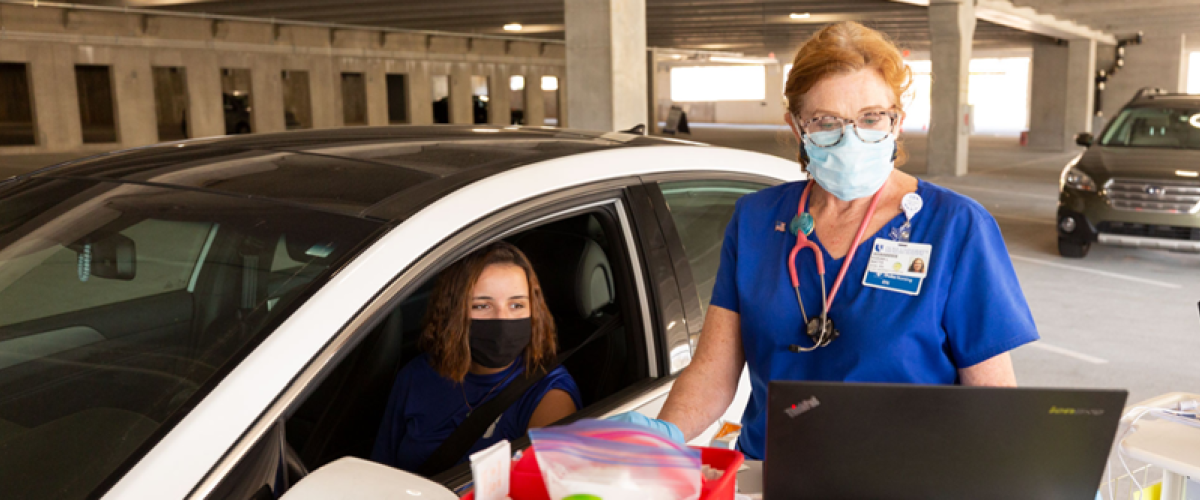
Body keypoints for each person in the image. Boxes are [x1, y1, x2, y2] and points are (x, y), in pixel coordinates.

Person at [615, 22, 1039, 459]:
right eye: (826, 121)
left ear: (897, 123)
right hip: (773, 474)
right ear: (798, 129)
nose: (851, 135)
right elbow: (714, 374)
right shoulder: (756, 220)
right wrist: (659, 435)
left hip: (904, 480)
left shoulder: (956, 227)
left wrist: (1023, 472)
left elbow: (992, 397)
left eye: (871, 117)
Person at [372, 242, 581, 472]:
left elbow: (543, 485)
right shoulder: (416, 376)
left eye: (516, 304)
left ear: (534, 311)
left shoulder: (549, 393)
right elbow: (380, 470)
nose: (502, 319)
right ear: (454, 313)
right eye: (482, 306)